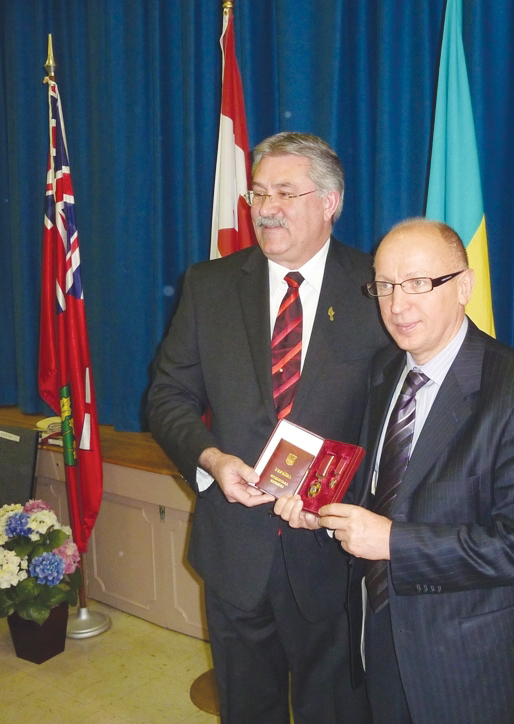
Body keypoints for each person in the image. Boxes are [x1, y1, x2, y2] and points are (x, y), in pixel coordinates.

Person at [276, 218, 514, 724]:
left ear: (464, 286)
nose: (397, 305)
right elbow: (385, 491)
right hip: (381, 637)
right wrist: (324, 514)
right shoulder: (385, 371)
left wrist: (393, 542)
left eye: (418, 283)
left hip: (474, 666)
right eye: (386, 285)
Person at [147, 132, 389, 724]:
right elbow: (166, 397)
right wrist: (211, 459)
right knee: (246, 709)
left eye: (285, 192)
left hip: (332, 552)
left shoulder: (379, 287)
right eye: (258, 193)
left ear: (330, 202)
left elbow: (399, 422)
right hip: (235, 548)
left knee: (334, 710)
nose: (267, 207)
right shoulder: (208, 286)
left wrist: (347, 503)